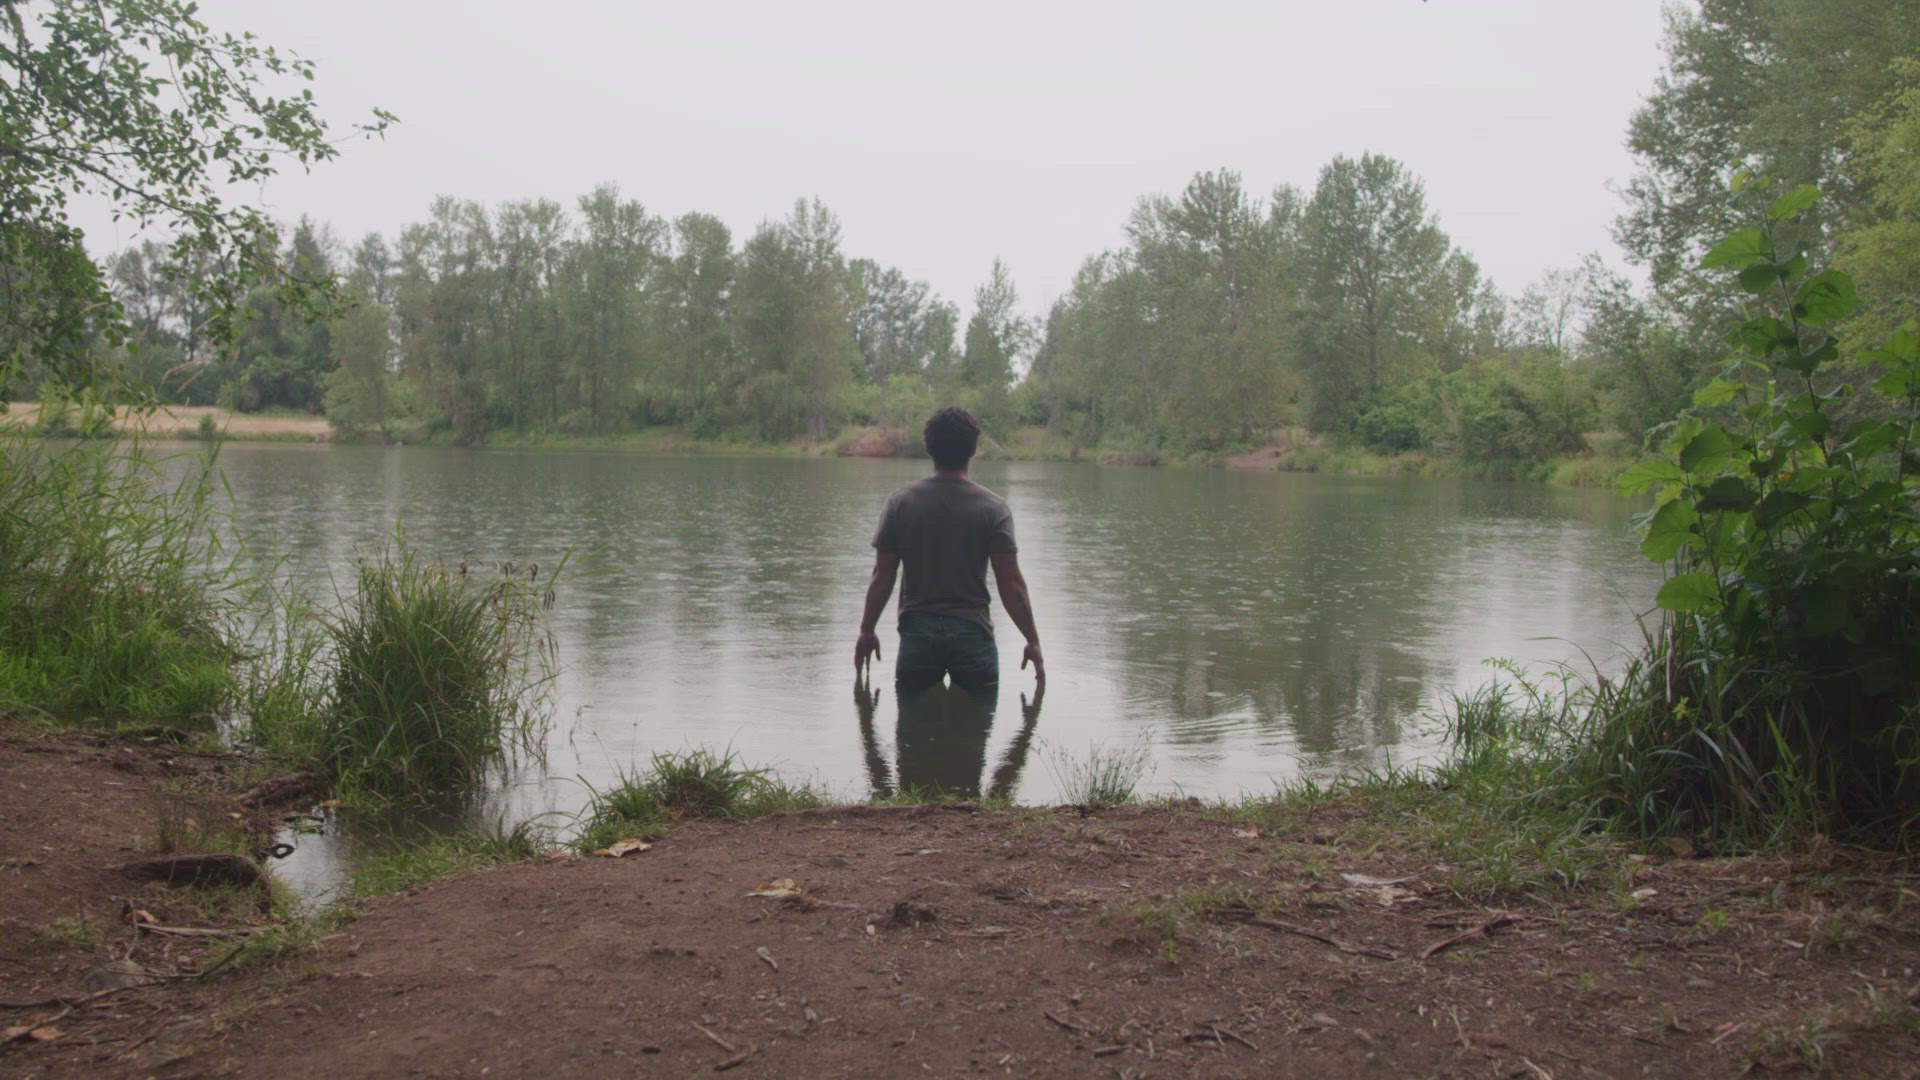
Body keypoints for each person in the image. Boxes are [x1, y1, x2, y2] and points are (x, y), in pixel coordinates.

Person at [854, 406, 1044, 693]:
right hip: (973, 635)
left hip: (918, 635)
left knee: (911, 735)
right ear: (973, 449)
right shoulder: (994, 509)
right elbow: (1011, 583)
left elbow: (883, 575)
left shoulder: (900, 504)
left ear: (929, 448)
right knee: (977, 733)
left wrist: (867, 630)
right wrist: (1032, 639)